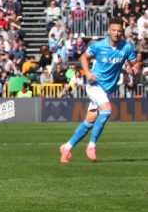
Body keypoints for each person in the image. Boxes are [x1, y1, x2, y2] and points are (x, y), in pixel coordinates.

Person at [60, 18, 141, 163]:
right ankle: (91, 145)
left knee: (89, 121)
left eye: (119, 31)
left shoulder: (126, 47)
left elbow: (135, 63)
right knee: (107, 111)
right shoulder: (99, 46)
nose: (116, 33)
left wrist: (134, 69)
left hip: (107, 90)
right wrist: (88, 73)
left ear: (122, 32)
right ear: (109, 31)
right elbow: (83, 57)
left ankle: (67, 147)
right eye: (114, 30)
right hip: (94, 85)